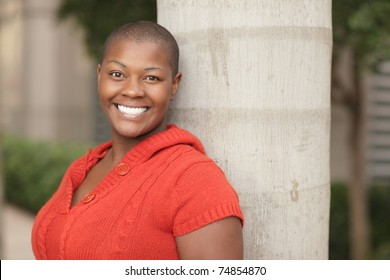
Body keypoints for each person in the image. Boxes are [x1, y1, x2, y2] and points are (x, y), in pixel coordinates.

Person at [32, 21, 244, 260]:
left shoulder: (195, 181)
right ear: (100, 75)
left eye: (151, 78)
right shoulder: (83, 168)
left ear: (174, 85)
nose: (132, 90)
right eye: (117, 74)